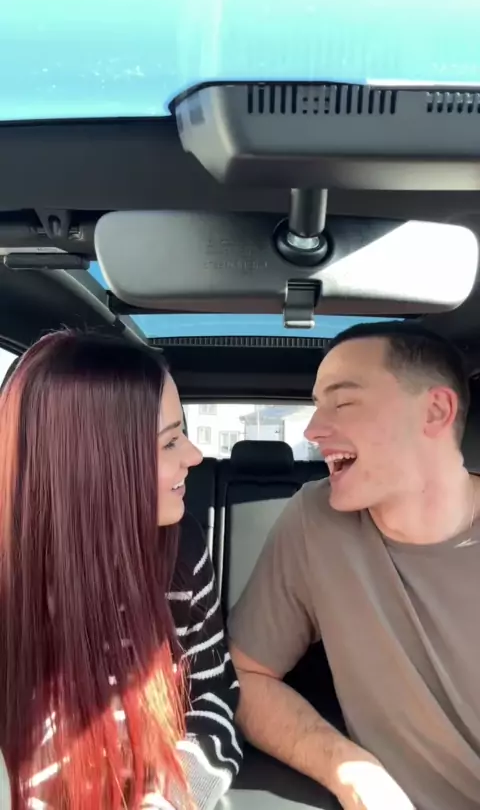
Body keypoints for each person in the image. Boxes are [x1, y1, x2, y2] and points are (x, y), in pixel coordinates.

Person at [229, 321, 480, 810]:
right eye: (316, 404)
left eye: (343, 403)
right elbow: (246, 676)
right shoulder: (316, 520)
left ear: (435, 411)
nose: (311, 430)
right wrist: (347, 767)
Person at [0, 331, 242, 810]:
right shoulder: (12, 582)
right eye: (170, 441)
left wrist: (175, 795)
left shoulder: (180, 549)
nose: (195, 456)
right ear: (97, 463)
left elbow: (213, 693)